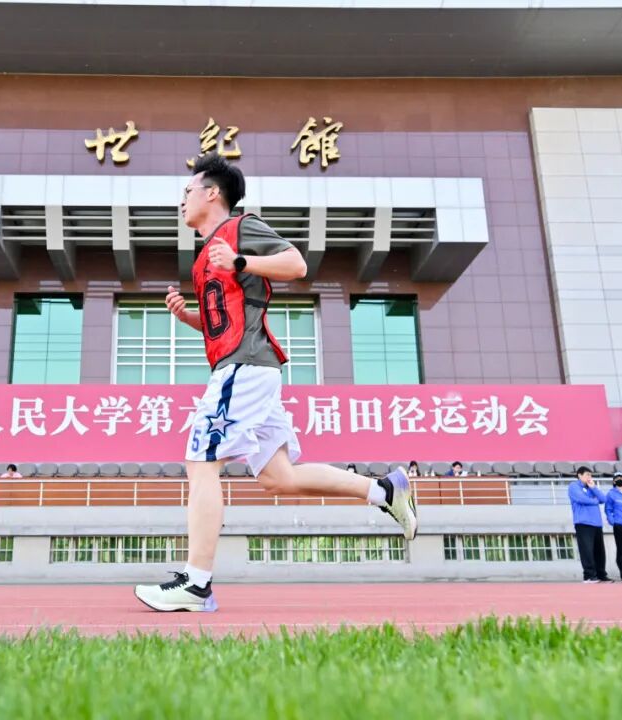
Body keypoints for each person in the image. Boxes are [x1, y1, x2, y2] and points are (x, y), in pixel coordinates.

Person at [134, 154, 417, 612]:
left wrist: (241, 258)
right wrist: (188, 317)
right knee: (277, 476)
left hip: (243, 369)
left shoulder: (239, 228)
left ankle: (196, 584)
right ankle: (383, 490)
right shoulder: (204, 257)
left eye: (187, 191)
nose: (181, 200)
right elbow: (222, 323)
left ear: (212, 193)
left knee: (201, 462)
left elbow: (296, 264)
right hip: (249, 368)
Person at [568, 466, 613, 584]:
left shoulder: (591, 488)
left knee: (599, 551)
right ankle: (589, 576)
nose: (589, 477)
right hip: (583, 523)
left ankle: (601, 574)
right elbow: (581, 499)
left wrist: (594, 488)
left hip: (597, 523)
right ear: (579, 475)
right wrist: (595, 501)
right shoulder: (574, 486)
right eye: (587, 474)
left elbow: (603, 499)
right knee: (587, 551)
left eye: (590, 475)